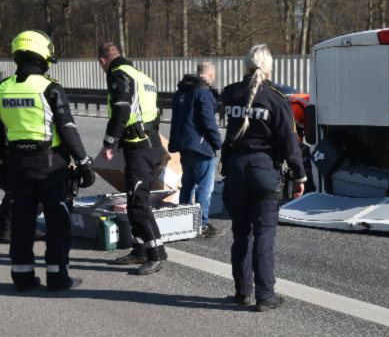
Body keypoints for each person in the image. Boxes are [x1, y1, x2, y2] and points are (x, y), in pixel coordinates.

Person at [0, 30, 93, 291]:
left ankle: (22, 278)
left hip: (18, 165)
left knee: (21, 224)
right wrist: (84, 163)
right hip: (50, 164)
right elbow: (67, 129)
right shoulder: (50, 88)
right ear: (43, 54)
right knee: (57, 222)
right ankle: (57, 278)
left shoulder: (3, 88)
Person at [221, 44, 306, 311]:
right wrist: (299, 175)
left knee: (241, 234)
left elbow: (230, 133)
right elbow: (289, 142)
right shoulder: (277, 98)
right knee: (264, 233)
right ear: (269, 67)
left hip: (236, 170)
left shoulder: (230, 93)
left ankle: (242, 291)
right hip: (264, 171)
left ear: (245, 65)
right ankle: (265, 295)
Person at [98, 42, 166, 275]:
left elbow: (121, 110)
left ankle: (157, 253)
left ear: (102, 61)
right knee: (134, 197)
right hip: (149, 143)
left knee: (138, 203)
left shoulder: (118, 75)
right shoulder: (141, 75)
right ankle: (139, 249)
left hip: (140, 148)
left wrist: (109, 142)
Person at [169, 61, 224, 238]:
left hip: (184, 146)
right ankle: (202, 224)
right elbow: (208, 121)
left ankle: (183, 221)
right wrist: (217, 143)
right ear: (208, 75)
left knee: (188, 185)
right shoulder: (203, 93)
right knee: (204, 188)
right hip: (201, 147)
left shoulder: (181, 92)